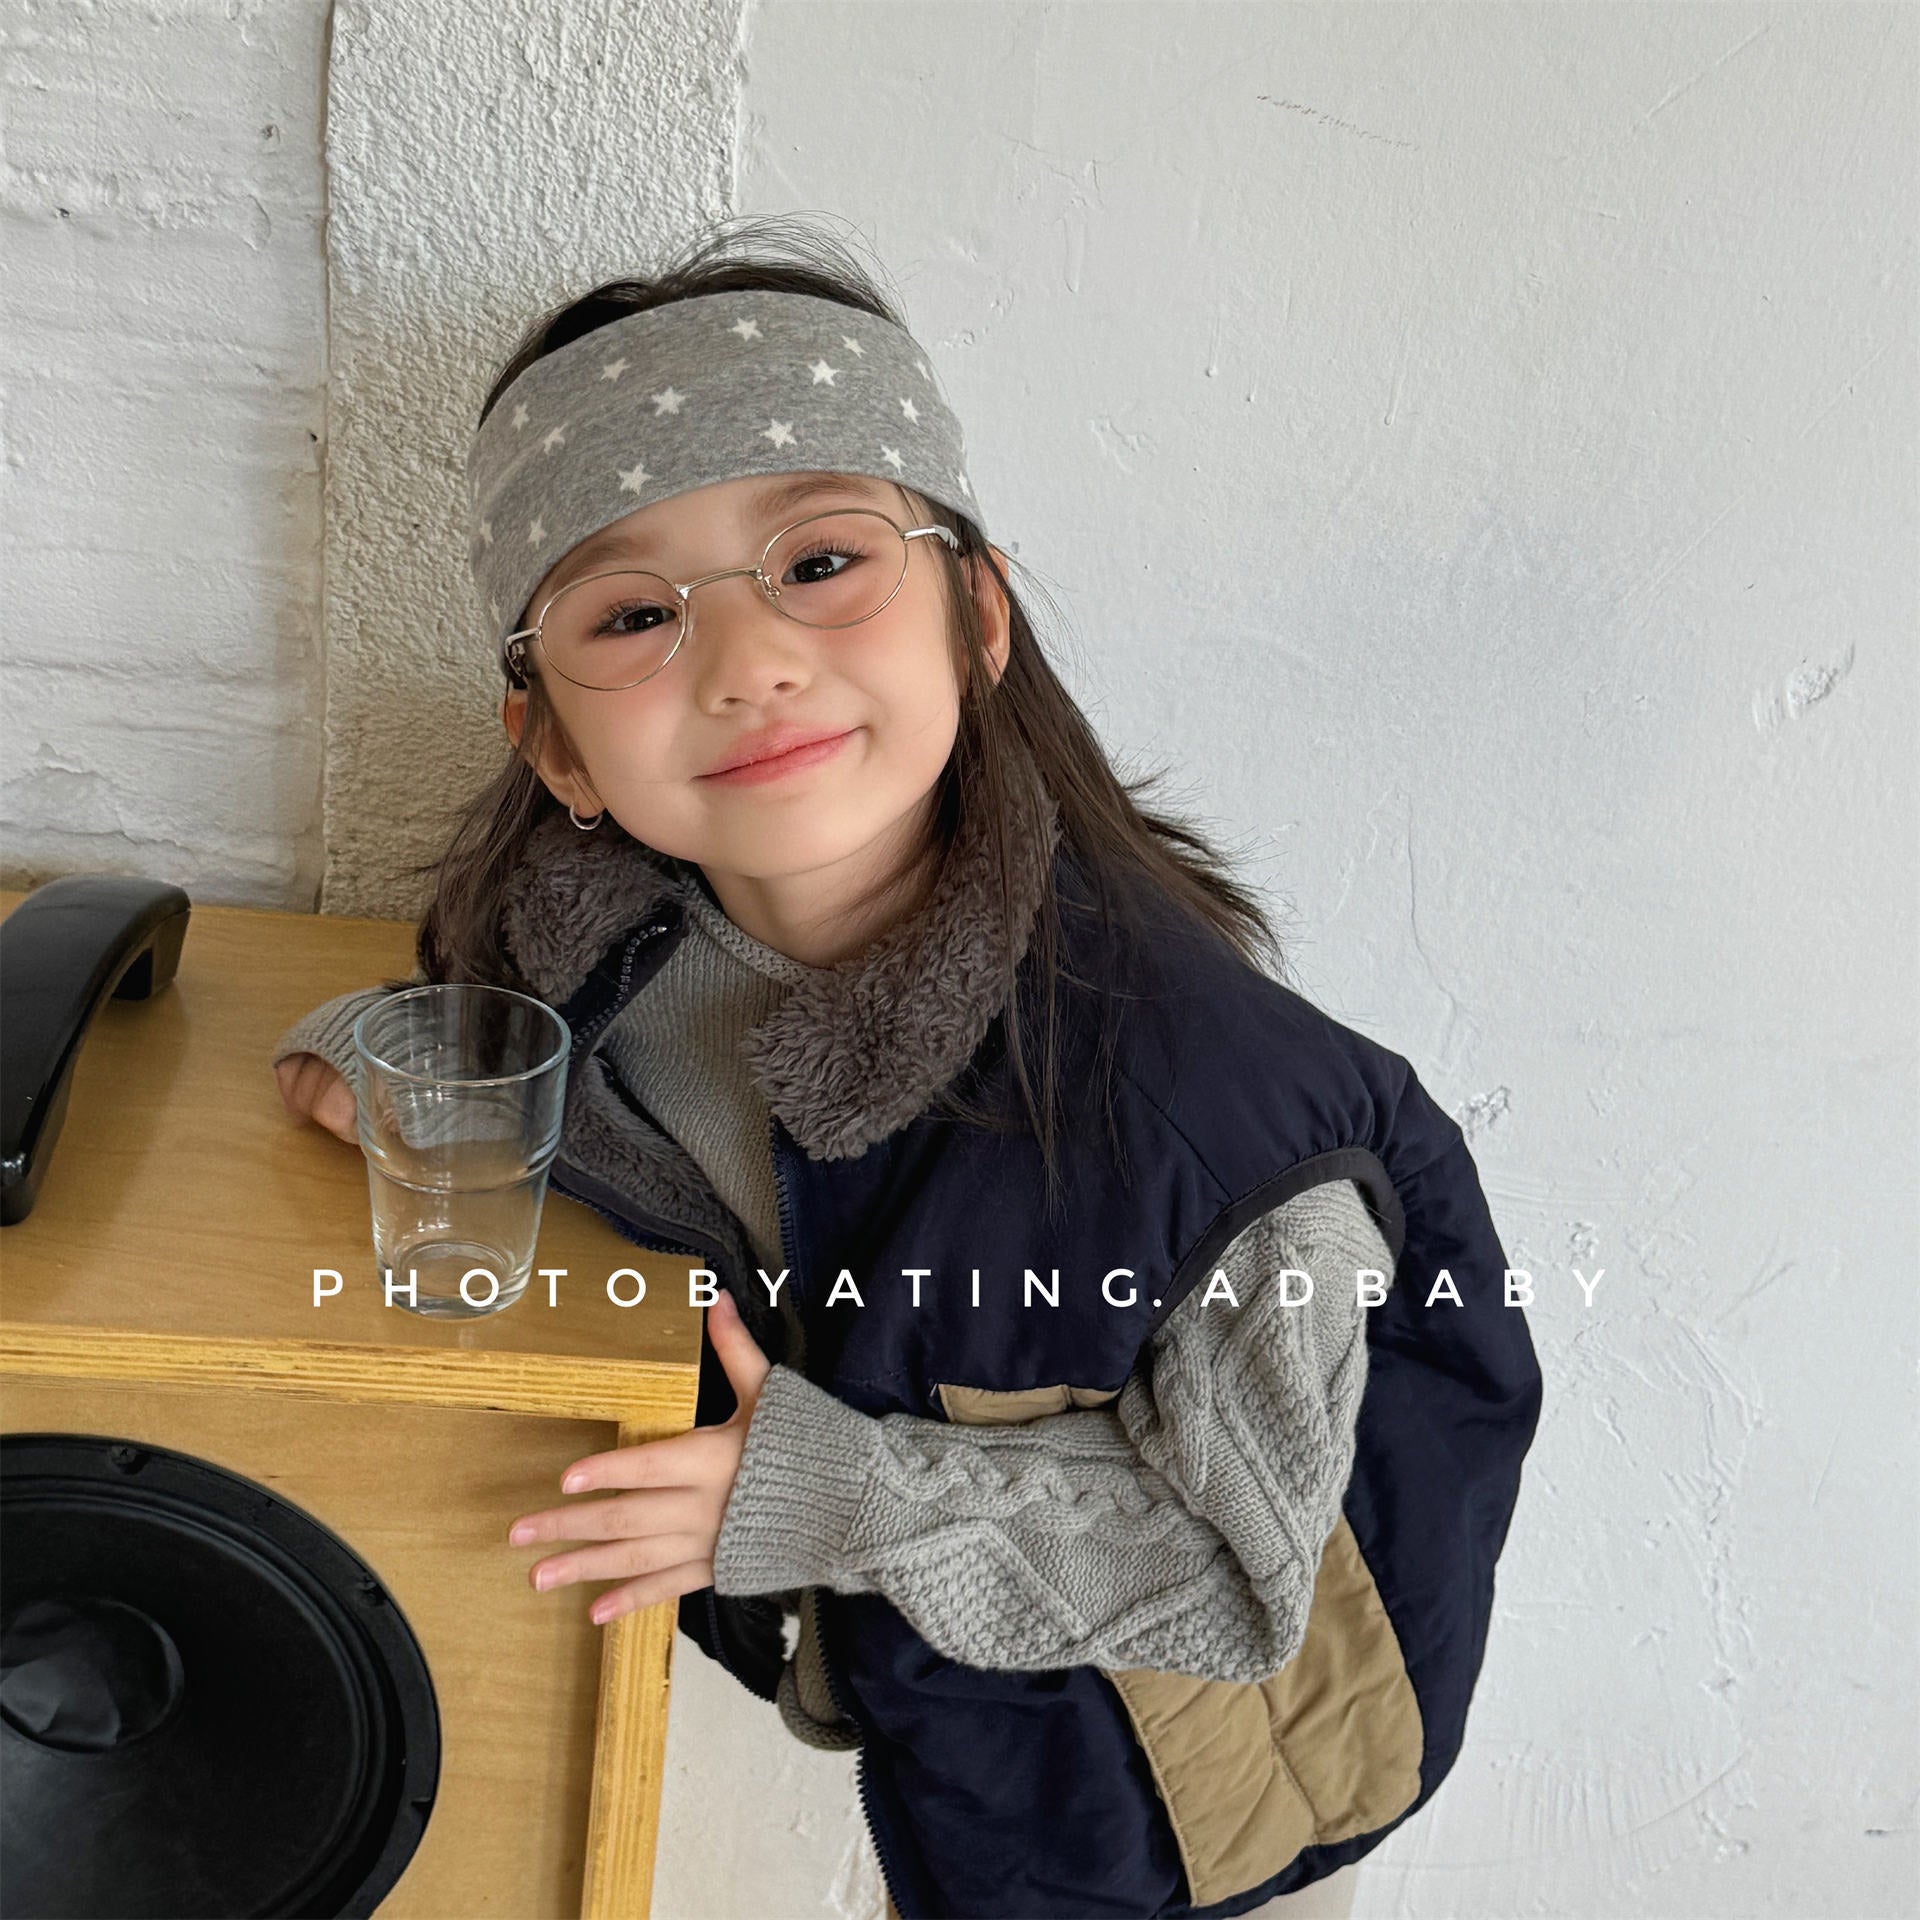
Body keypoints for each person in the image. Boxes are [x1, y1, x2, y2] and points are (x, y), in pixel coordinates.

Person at [272, 216, 1542, 1920]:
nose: (748, 664)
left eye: (819, 563)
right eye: (635, 613)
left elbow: (1236, 1575)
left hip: (1198, 1785)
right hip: (948, 1730)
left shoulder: (1207, 1114)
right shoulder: (607, 954)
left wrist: (815, 1499)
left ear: (978, 615)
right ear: (557, 747)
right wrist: (399, 1067)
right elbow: (520, 1049)